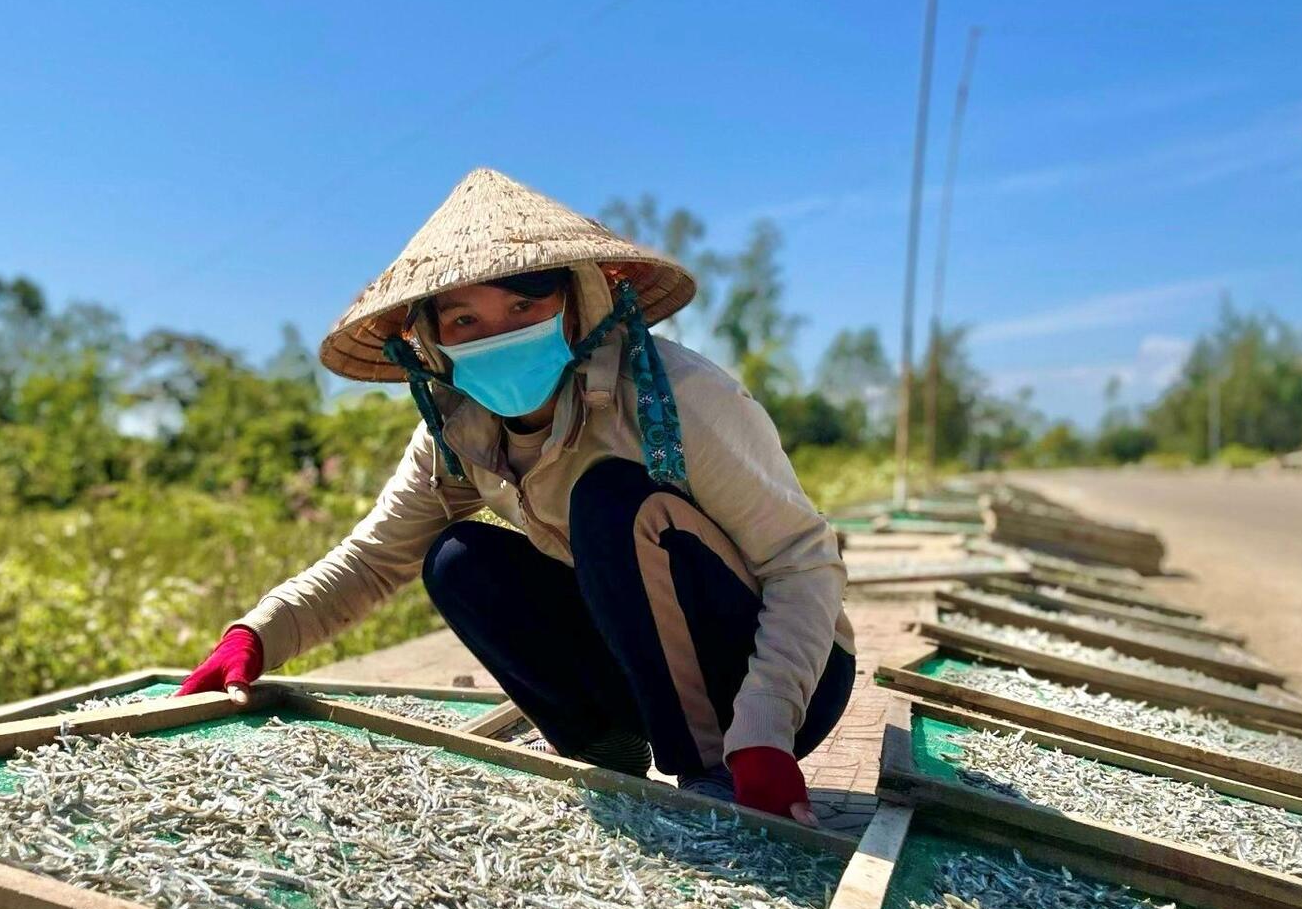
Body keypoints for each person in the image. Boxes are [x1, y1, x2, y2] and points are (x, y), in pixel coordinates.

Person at [180, 168, 855, 825]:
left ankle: (709, 771)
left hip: (786, 680)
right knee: (457, 557)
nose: (496, 335)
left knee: (609, 501)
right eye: (465, 319)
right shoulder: (456, 430)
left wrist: (764, 732)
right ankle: (607, 749)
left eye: (524, 307)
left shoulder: (672, 396)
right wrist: (256, 636)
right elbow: (372, 560)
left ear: (576, 303)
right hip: (649, 662)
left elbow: (803, 562)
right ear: (432, 342)